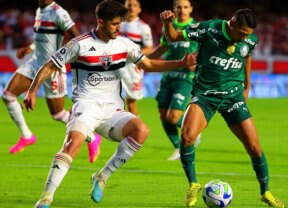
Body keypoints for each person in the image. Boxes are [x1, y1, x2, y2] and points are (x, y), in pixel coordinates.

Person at [22, 1, 196, 207]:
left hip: (112, 111)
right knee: (73, 143)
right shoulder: (80, 44)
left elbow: (148, 64)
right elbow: (49, 65)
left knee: (141, 130)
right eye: (114, 24)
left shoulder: (124, 44)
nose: (118, 28)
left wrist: (180, 63)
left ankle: (102, 176)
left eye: (120, 23)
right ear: (100, 22)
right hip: (85, 107)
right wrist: (32, 90)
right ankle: (46, 197)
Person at [160, 8, 285, 208]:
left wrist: (247, 85)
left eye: (249, 34)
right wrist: (168, 23)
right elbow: (173, 36)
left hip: (233, 96)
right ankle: (193, 184)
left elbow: (247, 55)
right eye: (243, 33)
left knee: (254, 147)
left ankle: (266, 192)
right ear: (232, 23)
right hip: (205, 95)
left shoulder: (249, 39)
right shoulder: (209, 29)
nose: (246, 38)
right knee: (187, 137)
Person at [1, 0, 101, 163]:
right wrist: (30, 48)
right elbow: (44, 38)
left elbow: (77, 36)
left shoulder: (58, 12)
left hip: (52, 67)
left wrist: (87, 59)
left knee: (58, 114)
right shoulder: (41, 9)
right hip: (34, 63)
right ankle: (27, 136)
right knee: (8, 95)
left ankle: (92, 137)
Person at [148, 0, 200, 161]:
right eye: (179, 7)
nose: (182, 10)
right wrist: (141, 60)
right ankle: (179, 147)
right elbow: (162, 48)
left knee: (173, 117)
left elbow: (204, 51)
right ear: (174, 9)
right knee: (163, 115)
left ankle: (194, 131)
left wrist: (198, 65)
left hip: (186, 78)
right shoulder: (169, 26)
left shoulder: (197, 29)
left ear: (191, 9)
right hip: (168, 76)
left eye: (185, 7)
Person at [119, 0, 154, 116]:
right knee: (112, 99)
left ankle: (136, 131)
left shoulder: (143, 27)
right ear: (124, 7)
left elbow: (149, 48)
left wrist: (133, 55)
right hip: (116, 64)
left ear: (139, 9)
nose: (131, 8)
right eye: (129, 5)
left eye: (134, 6)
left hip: (133, 67)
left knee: (131, 102)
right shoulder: (118, 23)